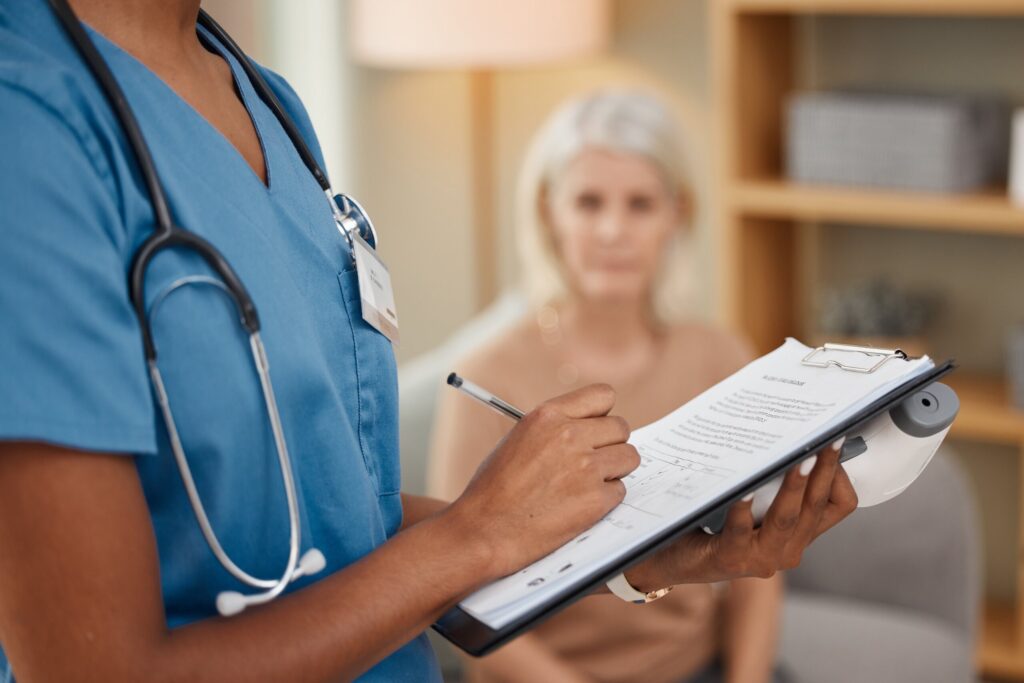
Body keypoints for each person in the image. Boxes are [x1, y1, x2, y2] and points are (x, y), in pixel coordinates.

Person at [0, 3, 857, 681]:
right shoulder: (28, 128)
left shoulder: (266, 101)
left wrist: (636, 548)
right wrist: (475, 535)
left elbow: (344, 514)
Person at [430, 91, 784, 683]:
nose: (613, 230)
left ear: (680, 213)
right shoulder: (487, 374)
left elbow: (759, 569)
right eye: (589, 203)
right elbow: (454, 591)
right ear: (549, 212)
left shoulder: (722, 357)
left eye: (640, 204)